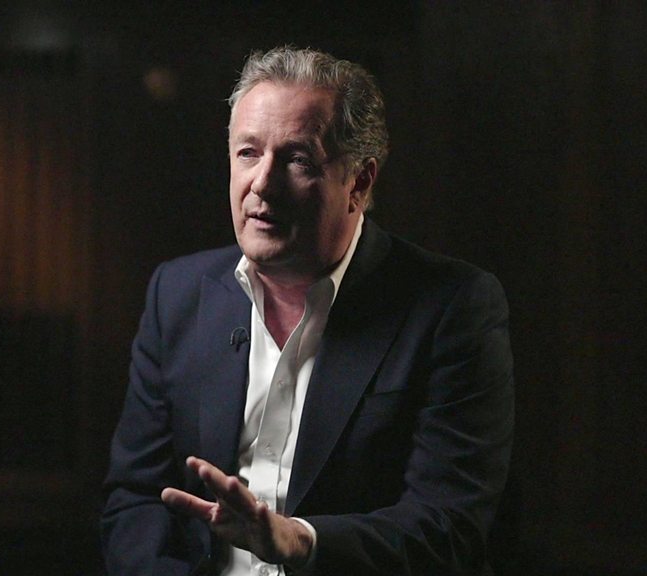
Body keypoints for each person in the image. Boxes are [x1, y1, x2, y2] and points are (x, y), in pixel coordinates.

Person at [101, 46, 513, 576]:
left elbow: (449, 527)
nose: (262, 183)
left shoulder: (453, 307)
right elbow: (135, 500)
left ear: (359, 183)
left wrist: (302, 542)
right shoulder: (177, 295)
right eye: (248, 153)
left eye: (297, 160)